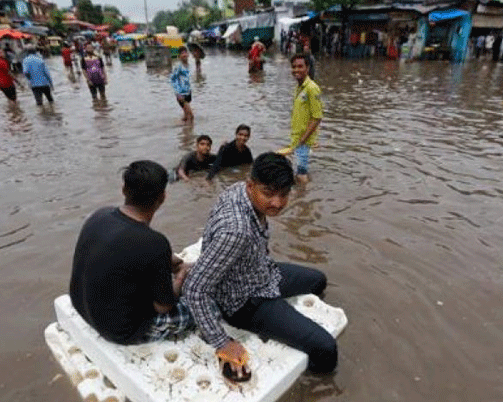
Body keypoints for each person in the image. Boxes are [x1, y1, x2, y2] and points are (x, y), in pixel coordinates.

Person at [182, 152, 338, 380]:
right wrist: (222, 342)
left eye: (284, 195)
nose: (277, 203)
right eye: (268, 194)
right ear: (250, 186)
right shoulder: (236, 232)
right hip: (243, 302)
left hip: (261, 272)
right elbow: (195, 288)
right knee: (326, 349)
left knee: (318, 280)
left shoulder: (239, 189)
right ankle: (312, 389)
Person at [69, 160, 195, 345]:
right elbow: (164, 306)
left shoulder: (100, 214)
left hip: (83, 310)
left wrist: (170, 262)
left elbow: (133, 251)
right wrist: (181, 276)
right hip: (121, 331)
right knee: (202, 307)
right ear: (163, 197)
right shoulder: (155, 242)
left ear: (123, 189)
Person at [277, 53, 323, 183]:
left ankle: (304, 200)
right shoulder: (299, 87)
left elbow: (317, 117)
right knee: (300, 170)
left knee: (301, 174)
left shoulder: (312, 88)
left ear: (307, 68)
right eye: (294, 67)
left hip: (303, 140)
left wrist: (302, 141)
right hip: (297, 138)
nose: (296, 70)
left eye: (300, 66)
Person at [170, 46, 193, 122]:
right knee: (191, 115)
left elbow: (188, 79)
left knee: (186, 116)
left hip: (188, 92)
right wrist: (177, 93)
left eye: (185, 53)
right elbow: (173, 79)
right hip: (181, 95)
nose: (184, 55)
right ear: (179, 56)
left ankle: (183, 130)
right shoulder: (178, 66)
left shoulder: (189, 65)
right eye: (182, 53)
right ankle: (189, 133)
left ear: (188, 54)